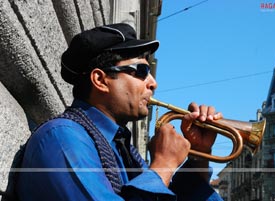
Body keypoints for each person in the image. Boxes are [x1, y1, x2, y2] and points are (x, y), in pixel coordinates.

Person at [16, 23, 223, 200]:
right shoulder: (63, 138)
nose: (153, 83)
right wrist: (163, 165)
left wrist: (199, 156)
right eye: (141, 71)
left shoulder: (121, 148)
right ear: (100, 80)